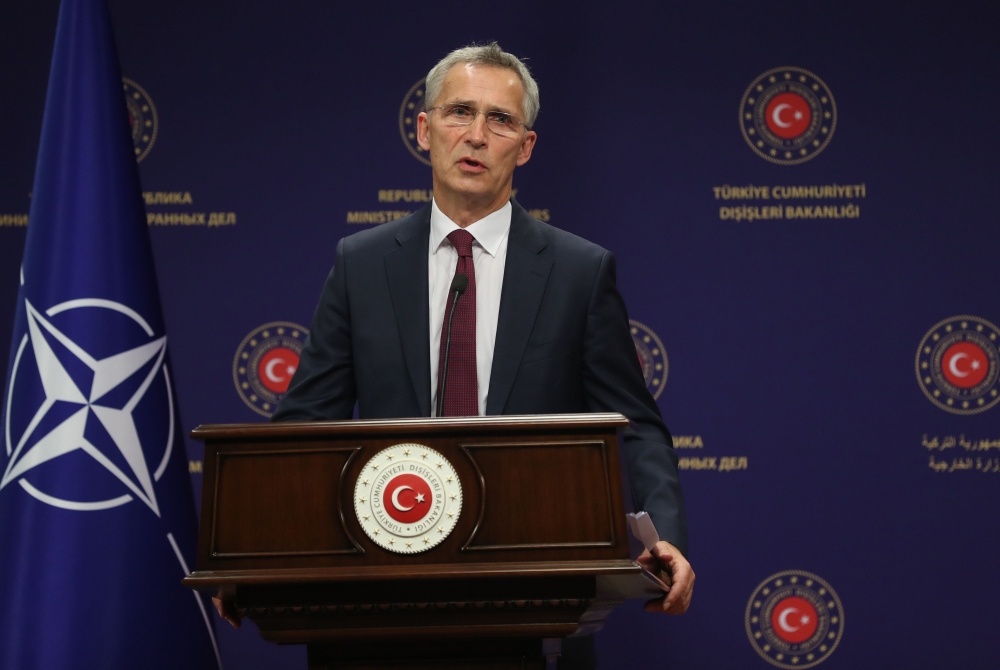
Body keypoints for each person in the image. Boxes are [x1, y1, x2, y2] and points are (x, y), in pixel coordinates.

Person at [216, 42, 694, 663]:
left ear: (524, 147)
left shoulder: (580, 272)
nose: (475, 135)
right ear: (423, 129)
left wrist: (667, 535)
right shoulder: (360, 265)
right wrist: (255, 553)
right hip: (381, 605)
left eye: (500, 120)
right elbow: (303, 430)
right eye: (458, 112)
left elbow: (638, 429)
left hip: (532, 608)